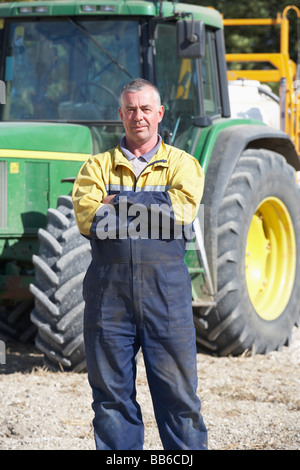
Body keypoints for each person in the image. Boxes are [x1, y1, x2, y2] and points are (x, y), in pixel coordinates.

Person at [72, 78, 208, 450]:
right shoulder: (95, 167)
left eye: (146, 108)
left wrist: (117, 204)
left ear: (159, 113)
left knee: (179, 400)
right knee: (111, 402)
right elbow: (89, 219)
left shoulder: (184, 164)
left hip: (166, 300)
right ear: (121, 114)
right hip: (108, 302)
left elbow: (180, 216)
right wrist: (153, 205)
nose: (138, 116)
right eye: (130, 109)